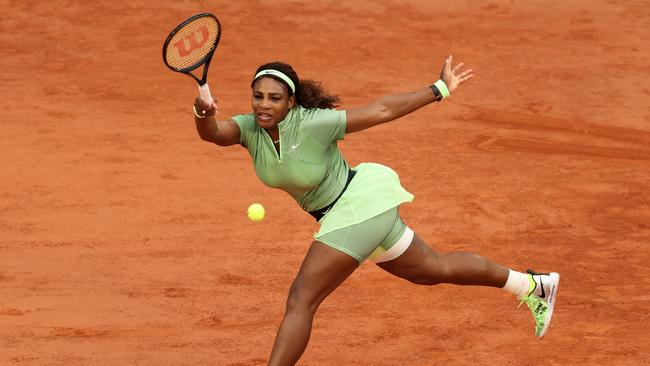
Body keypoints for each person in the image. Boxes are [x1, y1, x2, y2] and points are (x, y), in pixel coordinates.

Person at [191, 55, 560, 366]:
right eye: (258, 96)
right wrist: (202, 111)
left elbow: (381, 110)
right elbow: (212, 133)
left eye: (274, 98)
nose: (263, 105)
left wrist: (439, 89)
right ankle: (531, 285)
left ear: (291, 102)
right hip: (355, 214)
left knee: (302, 298)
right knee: (431, 269)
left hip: (356, 206)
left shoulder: (314, 123)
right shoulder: (248, 129)